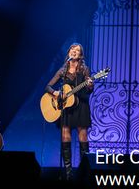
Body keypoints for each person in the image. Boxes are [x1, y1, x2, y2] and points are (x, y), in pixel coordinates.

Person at [45, 42, 94, 180]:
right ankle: (68, 172)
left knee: (83, 136)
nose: (74, 51)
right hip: (66, 107)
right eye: (72, 49)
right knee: (65, 135)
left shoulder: (85, 69)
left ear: (80, 55)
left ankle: (85, 170)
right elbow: (48, 86)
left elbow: (89, 90)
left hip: (81, 105)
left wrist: (90, 85)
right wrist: (55, 92)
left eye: (77, 50)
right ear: (69, 52)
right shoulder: (63, 70)